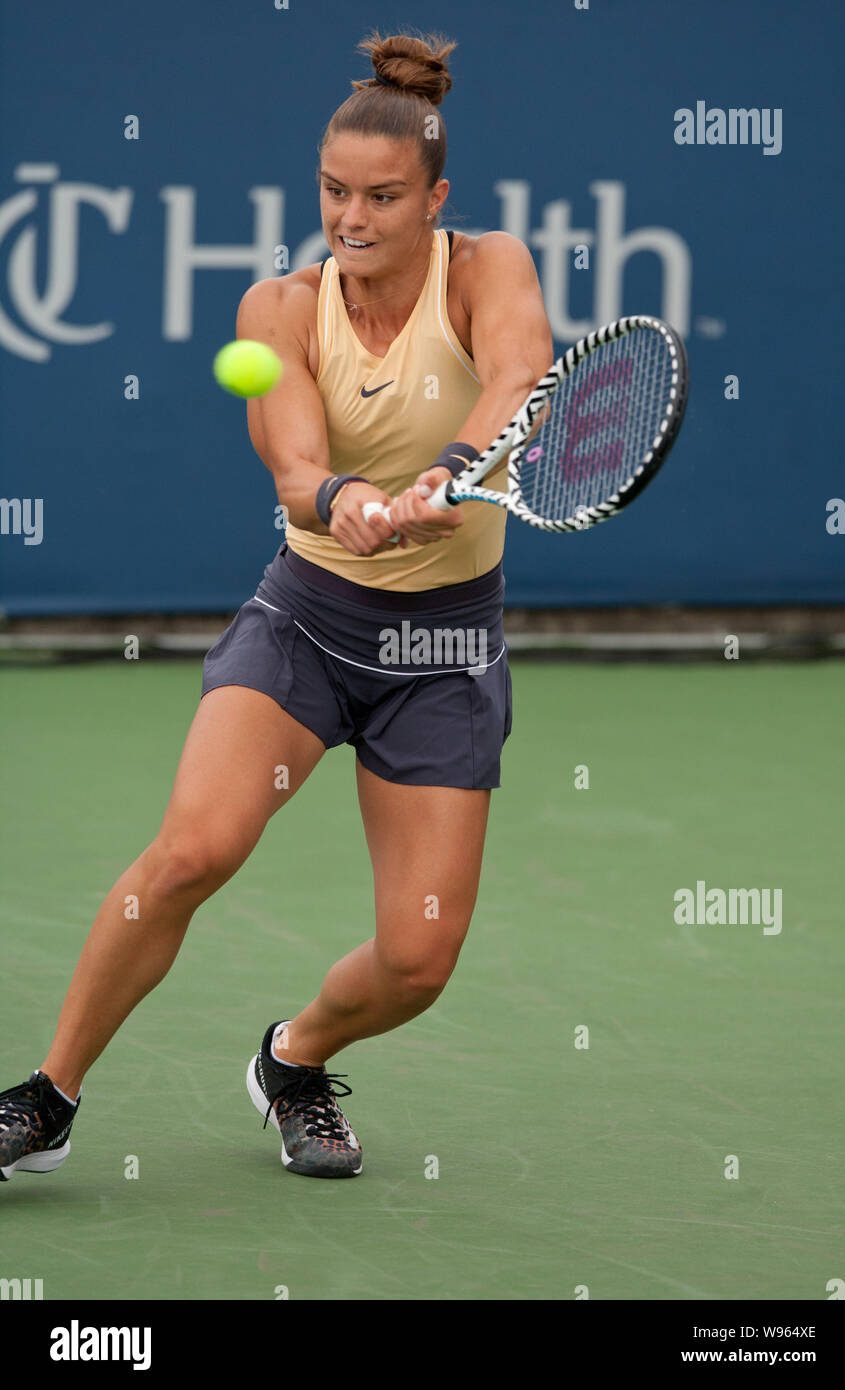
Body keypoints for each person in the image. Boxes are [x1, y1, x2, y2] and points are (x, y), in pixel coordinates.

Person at [0, 28, 552, 1182]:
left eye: (383, 196)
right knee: (194, 850)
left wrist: (451, 464)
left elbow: (517, 377)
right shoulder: (282, 307)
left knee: (418, 958)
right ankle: (47, 1097)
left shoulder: (489, 265)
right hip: (309, 623)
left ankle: (293, 1059)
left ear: (434, 197)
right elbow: (295, 467)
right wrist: (345, 497)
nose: (352, 219)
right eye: (334, 192)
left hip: (444, 650)